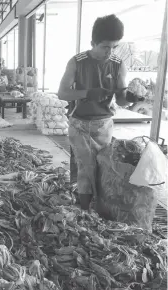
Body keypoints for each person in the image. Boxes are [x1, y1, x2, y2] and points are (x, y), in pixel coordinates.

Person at [58, 14, 144, 211]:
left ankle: (97, 203)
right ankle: (85, 211)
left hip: (104, 125)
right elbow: (63, 93)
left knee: (104, 166)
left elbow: (121, 99)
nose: (110, 52)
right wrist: (87, 93)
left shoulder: (117, 64)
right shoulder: (77, 62)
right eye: (105, 47)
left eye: (114, 47)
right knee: (86, 168)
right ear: (93, 43)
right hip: (80, 124)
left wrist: (132, 98)